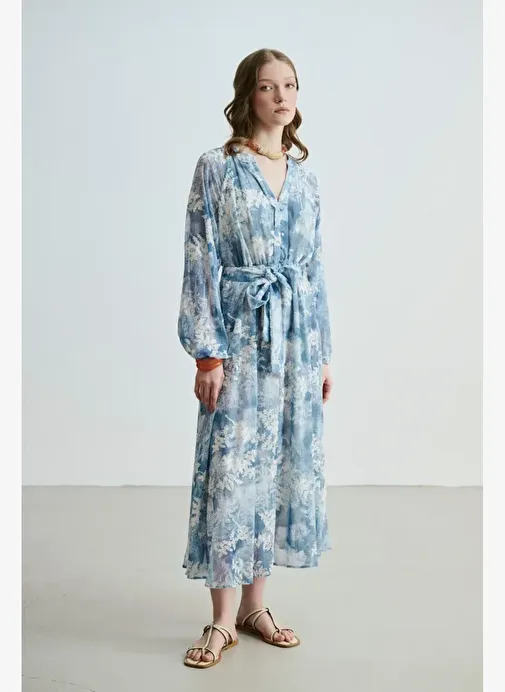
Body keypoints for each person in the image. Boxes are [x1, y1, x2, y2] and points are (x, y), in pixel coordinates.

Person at [177, 48, 333, 669]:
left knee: (276, 468)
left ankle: (254, 606)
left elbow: (314, 271)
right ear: (247, 95)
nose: (282, 96)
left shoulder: (306, 178)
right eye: (268, 87)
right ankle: (221, 619)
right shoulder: (217, 167)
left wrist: (322, 354)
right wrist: (206, 354)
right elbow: (199, 258)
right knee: (231, 470)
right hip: (240, 337)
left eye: (290, 85)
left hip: (295, 343)